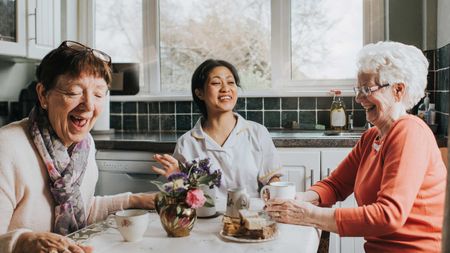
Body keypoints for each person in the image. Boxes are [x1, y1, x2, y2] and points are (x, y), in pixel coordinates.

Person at [265, 41, 447, 252]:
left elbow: (388, 216)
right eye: (358, 88)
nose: (359, 98)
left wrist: (308, 214)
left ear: (398, 90)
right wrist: (301, 198)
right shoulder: (372, 137)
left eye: (367, 89)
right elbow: (336, 184)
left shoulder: (409, 132)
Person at [0, 41, 155, 253]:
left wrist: (136, 200)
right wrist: (23, 241)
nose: (89, 106)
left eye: (99, 94)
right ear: (43, 95)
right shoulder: (7, 147)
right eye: (74, 92)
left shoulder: (85, 145)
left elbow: (83, 208)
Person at [152, 59, 283, 198]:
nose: (226, 88)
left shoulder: (257, 132)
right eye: (216, 83)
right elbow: (183, 194)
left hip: (250, 215)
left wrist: (276, 191)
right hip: (205, 217)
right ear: (199, 93)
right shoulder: (187, 142)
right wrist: (176, 178)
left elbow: (272, 178)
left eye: (231, 82)